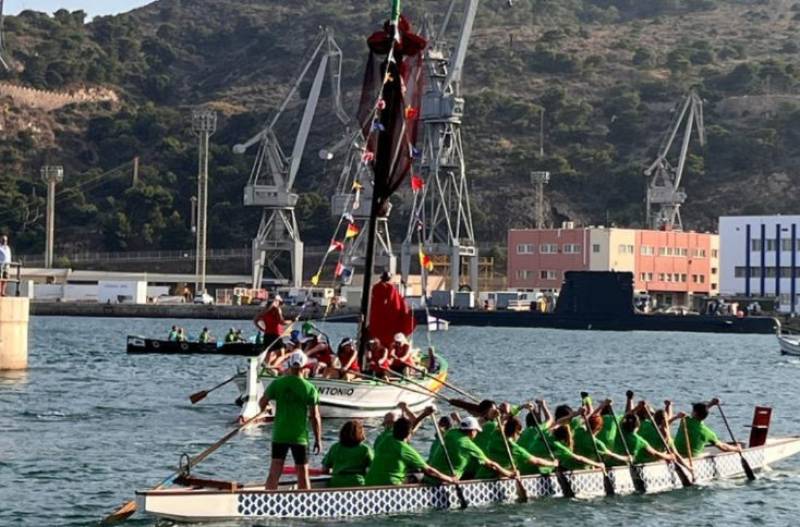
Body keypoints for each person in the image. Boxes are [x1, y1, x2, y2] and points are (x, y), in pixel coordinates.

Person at [259, 350, 322, 490]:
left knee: (275, 470)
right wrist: (318, 439)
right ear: (304, 367)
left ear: (289, 364)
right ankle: (305, 506)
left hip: (280, 434)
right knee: (302, 473)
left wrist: (264, 408)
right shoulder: (310, 388)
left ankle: (268, 501)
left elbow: (262, 403)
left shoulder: (277, 383)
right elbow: (315, 417)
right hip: (299, 436)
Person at [364, 417, 457, 486]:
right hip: (390, 486)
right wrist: (450, 479)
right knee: (420, 476)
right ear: (409, 433)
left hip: (369, 483)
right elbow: (429, 471)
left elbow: (405, 428)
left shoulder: (386, 439)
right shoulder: (404, 448)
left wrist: (424, 414)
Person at [427, 417, 516, 482]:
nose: (477, 434)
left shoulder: (451, 432)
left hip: (430, 477)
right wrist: (510, 474)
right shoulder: (468, 444)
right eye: (477, 431)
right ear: (472, 431)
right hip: (445, 482)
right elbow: (491, 465)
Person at [475, 416, 558, 478]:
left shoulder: (496, 435)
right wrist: (552, 463)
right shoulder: (513, 447)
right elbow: (535, 461)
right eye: (519, 432)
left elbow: (500, 425)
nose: (520, 435)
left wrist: (505, 417)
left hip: (480, 475)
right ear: (516, 431)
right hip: (493, 478)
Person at [673, 399, 742, 458]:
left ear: (694, 413)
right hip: (693, 458)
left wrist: (711, 404)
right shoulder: (708, 433)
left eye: (692, 410)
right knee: (708, 453)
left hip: (675, 455)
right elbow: (723, 447)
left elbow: (699, 413)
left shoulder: (685, 421)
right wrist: (737, 448)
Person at [322, 420, 373, 488]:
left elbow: (325, 469)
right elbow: (374, 468)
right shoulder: (365, 449)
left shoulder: (335, 447)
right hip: (357, 483)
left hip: (336, 483)